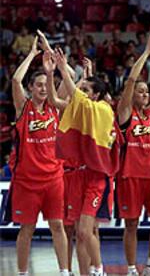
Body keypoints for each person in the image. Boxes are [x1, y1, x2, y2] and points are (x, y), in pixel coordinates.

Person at [45, 48, 122, 276]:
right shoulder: (81, 109)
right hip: (76, 176)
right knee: (79, 231)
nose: (81, 92)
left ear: (96, 94)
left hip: (96, 176)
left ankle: (99, 270)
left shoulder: (104, 109)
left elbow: (79, 97)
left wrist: (65, 69)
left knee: (87, 230)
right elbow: (53, 100)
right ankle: (85, 272)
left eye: (86, 90)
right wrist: (51, 75)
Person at [9, 37, 69, 276]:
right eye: (39, 85)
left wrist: (55, 66)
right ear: (31, 88)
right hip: (26, 181)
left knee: (58, 226)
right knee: (27, 229)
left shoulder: (55, 106)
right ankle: (22, 273)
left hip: (54, 178)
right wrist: (33, 53)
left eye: (46, 84)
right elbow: (15, 79)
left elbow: (67, 82)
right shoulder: (24, 108)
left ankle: (64, 271)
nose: (44, 88)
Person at [116, 34, 150, 276]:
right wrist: (145, 54)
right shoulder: (125, 113)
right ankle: (131, 268)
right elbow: (131, 81)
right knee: (132, 224)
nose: (145, 94)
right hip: (130, 176)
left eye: (147, 91)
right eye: (141, 91)